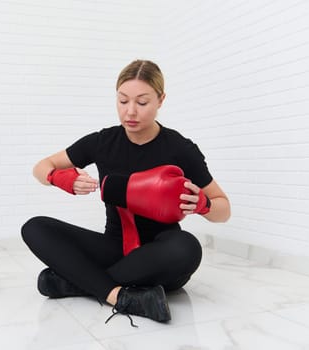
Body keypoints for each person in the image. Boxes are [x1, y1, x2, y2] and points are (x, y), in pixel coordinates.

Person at [21, 59, 231, 326]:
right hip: (115, 247)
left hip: (161, 254)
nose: (130, 111)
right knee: (35, 227)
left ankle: (78, 281)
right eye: (123, 101)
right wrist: (60, 178)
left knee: (188, 248)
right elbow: (41, 167)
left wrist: (203, 205)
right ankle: (119, 296)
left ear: (160, 100)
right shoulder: (102, 142)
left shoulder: (180, 148)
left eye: (142, 103)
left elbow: (224, 209)